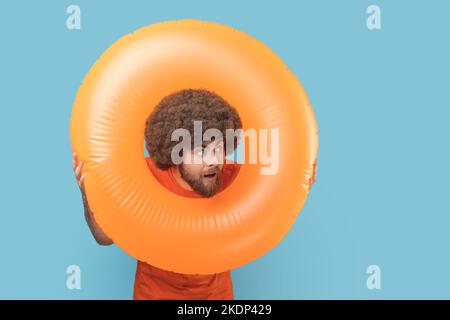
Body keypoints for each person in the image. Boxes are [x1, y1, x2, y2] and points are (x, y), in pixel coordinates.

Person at [72, 89, 244, 299]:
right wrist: (88, 194)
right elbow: (104, 238)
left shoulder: (232, 177)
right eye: (200, 150)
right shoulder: (146, 177)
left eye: (218, 148)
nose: (213, 160)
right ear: (176, 152)